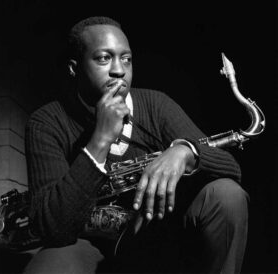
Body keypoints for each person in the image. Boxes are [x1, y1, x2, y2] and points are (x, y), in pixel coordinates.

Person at [23, 16, 248, 274]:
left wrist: (186, 152)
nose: (119, 70)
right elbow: (52, 226)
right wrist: (100, 139)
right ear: (74, 68)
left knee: (227, 195)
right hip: (85, 242)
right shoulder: (46, 122)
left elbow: (231, 169)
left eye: (126, 59)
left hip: (155, 233)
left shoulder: (156, 105)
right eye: (103, 58)